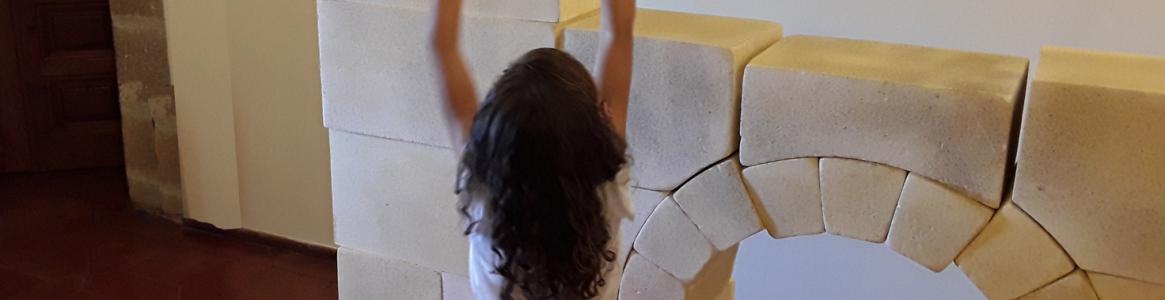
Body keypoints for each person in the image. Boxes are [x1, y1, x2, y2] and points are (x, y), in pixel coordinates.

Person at [431, 0, 636, 299]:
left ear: (491, 138)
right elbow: (619, 34)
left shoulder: (483, 190)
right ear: (599, 125)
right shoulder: (606, 184)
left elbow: (442, 46)